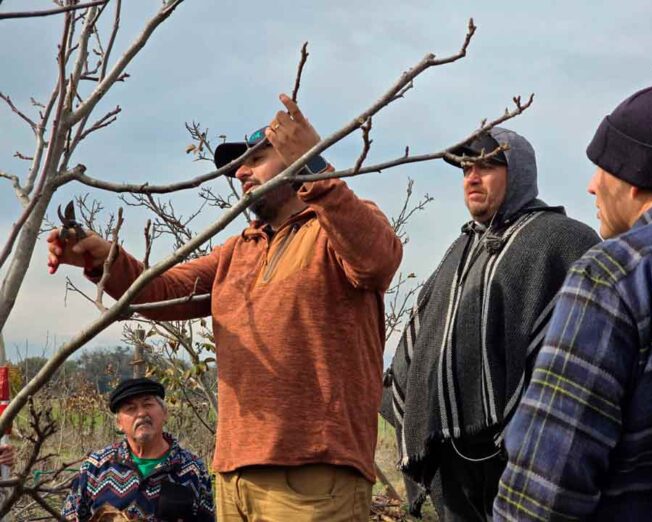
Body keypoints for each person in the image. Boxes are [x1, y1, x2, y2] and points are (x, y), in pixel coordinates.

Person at [48, 94, 403, 521]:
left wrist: (315, 167)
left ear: (296, 159)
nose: (241, 172)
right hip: (234, 478)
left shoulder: (339, 228)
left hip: (313, 475)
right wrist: (103, 258)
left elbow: (377, 260)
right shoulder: (238, 251)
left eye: (255, 158)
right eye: (239, 166)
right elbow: (162, 291)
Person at [494, 83, 652, 521]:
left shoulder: (615, 272)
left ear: (636, 174)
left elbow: (545, 485)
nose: (591, 186)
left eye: (602, 166)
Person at [381, 127, 599, 520]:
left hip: (524, 456)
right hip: (451, 458)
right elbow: (423, 338)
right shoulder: (459, 251)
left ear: (518, 173)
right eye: (466, 169)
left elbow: (586, 350)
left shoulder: (562, 241)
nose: (472, 177)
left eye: (486, 166)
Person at [61, 378, 214, 521]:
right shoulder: (96, 467)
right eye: (130, 408)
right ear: (119, 423)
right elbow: (69, 517)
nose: (141, 413)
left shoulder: (192, 469)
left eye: (148, 405)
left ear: (165, 413)